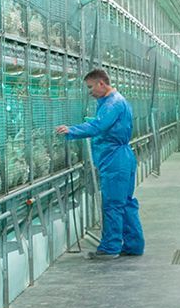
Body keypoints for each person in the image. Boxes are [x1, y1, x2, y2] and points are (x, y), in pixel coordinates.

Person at [55, 69, 143, 260]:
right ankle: (134, 244)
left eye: (90, 87)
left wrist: (71, 130)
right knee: (125, 202)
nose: (90, 92)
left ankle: (110, 248)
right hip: (122, 156)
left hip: (115, 160)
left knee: (112, 204)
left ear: (101, 83)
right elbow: (103, 124)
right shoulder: (116, 102)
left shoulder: (113, 103)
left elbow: (99, 126)